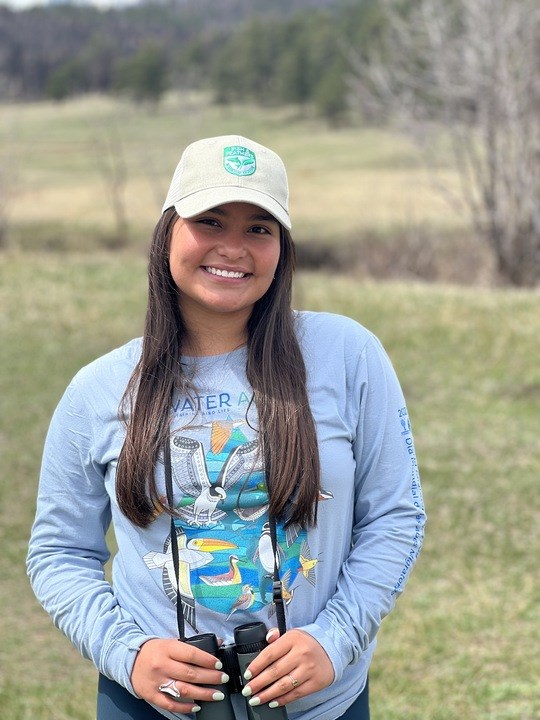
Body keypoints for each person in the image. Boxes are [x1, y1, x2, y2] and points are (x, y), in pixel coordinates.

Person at [27, 134, 426, 720]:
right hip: (150, 705)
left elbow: (396, 516)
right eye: (210, 221)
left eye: (259, 228)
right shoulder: (99, 388)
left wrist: (334, 639)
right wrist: (128, 654)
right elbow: (58, 551)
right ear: (168, 234)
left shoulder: (348, 354)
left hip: (324, 704)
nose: (233, 248)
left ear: (283, 250)